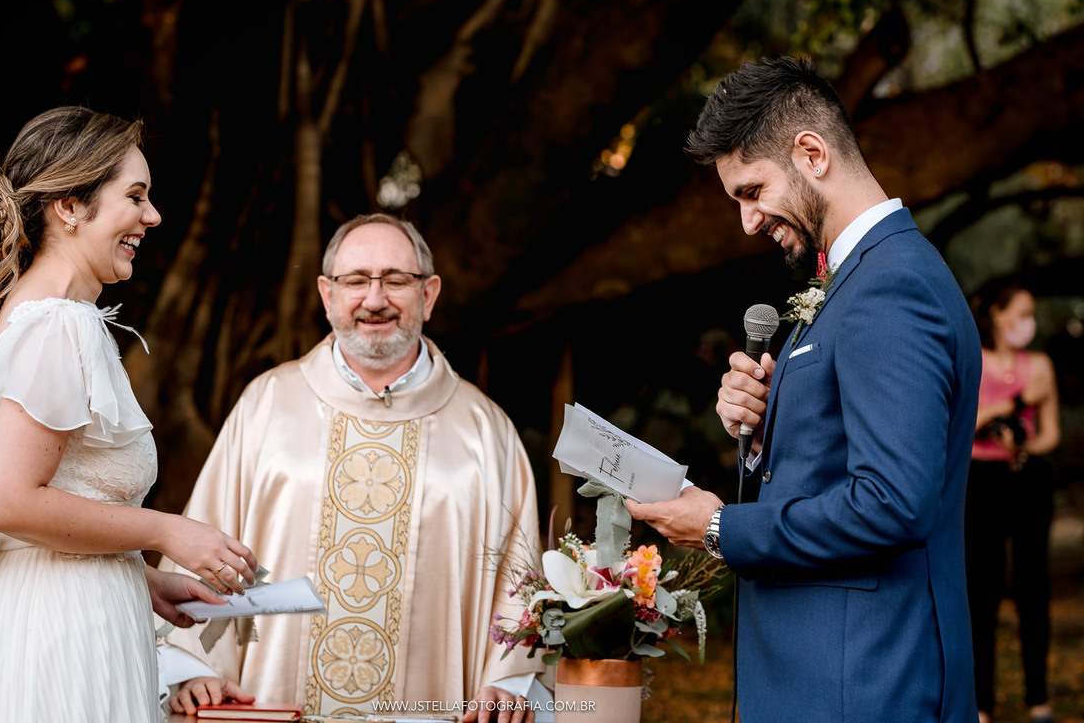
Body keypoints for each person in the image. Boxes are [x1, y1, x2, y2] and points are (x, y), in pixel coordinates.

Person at [627, 56, 981, 722]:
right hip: (820, 679)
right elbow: (833, 464)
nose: (748, 222)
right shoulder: (851, 282)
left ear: (811, 153)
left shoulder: (890, 286)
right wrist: (763, 427)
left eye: (752, 191)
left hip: (865, 682)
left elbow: (892, 504)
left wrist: (716, 526)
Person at [0, 106, 259, 723]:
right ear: (70, 208)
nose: (152, 216)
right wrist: (167, 532)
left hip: (59, 606)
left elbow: (50, 501)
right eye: (134, 196)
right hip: (56, 633)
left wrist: (144, 579)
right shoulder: (58, 322)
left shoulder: (32, 313)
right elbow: (9, 503)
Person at [158, 213, 545, 722]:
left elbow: (519, 581)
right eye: (356, 280)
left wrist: (507, 679)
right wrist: (193, 665)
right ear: (327, 294)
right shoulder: (268, 403)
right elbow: (204, 540)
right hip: (270, 702)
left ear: (428, 295)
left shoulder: (484, 429)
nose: (375, 299)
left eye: (396, 280)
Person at [967, 281, 1060, 723]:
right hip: (980, 484)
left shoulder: (1041, 364)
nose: (1029, 323)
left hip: (1027, 480)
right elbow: (963, 427)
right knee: (981, 592)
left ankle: (1038, 700)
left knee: (1033, 587)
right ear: (998, 315)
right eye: (1022, 313)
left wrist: (1022, 446)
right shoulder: (973, 362)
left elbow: (1051, 433)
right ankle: (981, 704)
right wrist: (1017, 403)